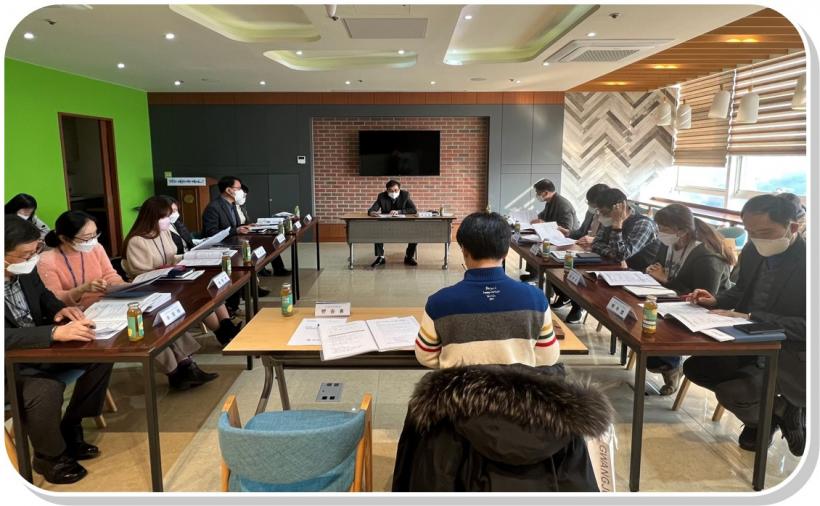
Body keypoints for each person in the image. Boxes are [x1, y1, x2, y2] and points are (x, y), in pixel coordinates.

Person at [683, 194, 805, 457]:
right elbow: (741, 290)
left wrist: (751, 317)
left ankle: (774, 410)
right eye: (750, 232)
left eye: (765, 232)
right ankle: (773, 413)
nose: (756, 239)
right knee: (695, 368)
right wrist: (716, 300)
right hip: (747, 337)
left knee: (732, 392)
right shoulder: (753, 250)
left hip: (791, 350)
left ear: (792, 227)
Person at [4, 214, 112, 484]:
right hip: (9, 363)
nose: (32, 259)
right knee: (44, 387)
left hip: (39, 348)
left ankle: (71, 424)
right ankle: (49, 456)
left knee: (101, 354)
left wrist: (61, 310)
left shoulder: (26, 270)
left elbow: (44, 296)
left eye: (35, 251)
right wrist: (52, 332)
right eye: (25, 255)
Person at [415, 212, 560, 369]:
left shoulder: (439, 302)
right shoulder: (536, 298)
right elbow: (548, 357)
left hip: (460, 385)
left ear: (464, 251)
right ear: (506, 252)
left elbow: (425, 356)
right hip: (516, 384)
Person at [123, 196, 238, 381]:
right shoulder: (137, 241)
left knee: (205, 289)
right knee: (192, 299)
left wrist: (188, 258)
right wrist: (166, 268)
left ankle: (223, 331)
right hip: (152, 289)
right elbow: (140, 273)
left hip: (171, 281)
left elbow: (171, 257)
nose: (169, 220)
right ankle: (187, 365)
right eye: (165, 216)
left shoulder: (164, 232)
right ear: (152, 217)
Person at [642, 204, 736, 395]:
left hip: (704, 311)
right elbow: (658, 267)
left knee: (654, 346)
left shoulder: (706, 255)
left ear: (682, 231)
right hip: (672, 300)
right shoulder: (668, 243)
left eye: (664, 229)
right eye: (659, 227)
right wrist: (653, 273)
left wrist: (666, 280)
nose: (660, 233)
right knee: (640, 323)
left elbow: (704, 296)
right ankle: (668, 363)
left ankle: (671, 365)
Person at [39, 211, 128, 308]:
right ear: (64, 238)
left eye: (95, 234)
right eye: (87, 237)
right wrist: (81, 290)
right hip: (77, 312)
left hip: (106, 304)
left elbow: (109, 274)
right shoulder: (46, 261)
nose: (93, 240)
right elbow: (53, 298)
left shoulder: (96, 248)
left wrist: (122, 286)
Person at [202, 176, 289, 276]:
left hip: (235, 240)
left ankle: (263, 272)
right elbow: (211, 233)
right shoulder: (214, 207)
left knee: (266, 241)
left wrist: (246, 226)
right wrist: (236, 230)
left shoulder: (232, 205)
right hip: (223, 245)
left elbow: (235, 225)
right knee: (253, 247)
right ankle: (252, 278)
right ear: (228, 190)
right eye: (238, 188)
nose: (241, 191)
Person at [551, 184, 609, 309]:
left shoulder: (610, 218)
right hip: (582, 249)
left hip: (598, 255)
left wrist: (594, 240)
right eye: (589, 203)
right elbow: (581, 231)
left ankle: (577, 307)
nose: (591, 207)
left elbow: (610, 242)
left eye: (593, 204)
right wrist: (568, 232)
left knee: (578, 273)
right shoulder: (591, 212)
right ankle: (564, 295)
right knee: (554, 266)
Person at [520, 179, 579, 282]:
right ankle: (535, 275)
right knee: (531, 244)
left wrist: (543, 223)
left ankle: (542, 278)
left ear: (546, 193)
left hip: (566, 240)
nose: (537, 195)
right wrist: (536, 219)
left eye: (538, 193)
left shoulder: (563, 204)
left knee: (538, 246)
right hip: (552, 235)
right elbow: (543, 215)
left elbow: (566, 228)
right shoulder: (550, 201)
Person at [367, 180, 418, 267]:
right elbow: (372, 209)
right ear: (387, 190)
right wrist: (371, 212)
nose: (393, 192)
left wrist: (399, 212)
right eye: (390, 190)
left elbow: (413, 210)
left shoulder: (405, 195)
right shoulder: (381, 196)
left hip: (403, 223)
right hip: (386, 223)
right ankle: (380, 257)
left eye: (396, 190)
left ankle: (409, 257)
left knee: (415, 233)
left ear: (399, 189)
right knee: (377, 231)